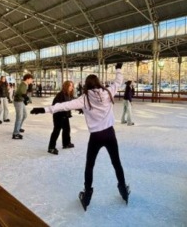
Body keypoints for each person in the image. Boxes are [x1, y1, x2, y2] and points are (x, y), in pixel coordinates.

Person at [30, 63, 130, 211]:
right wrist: (118, 69)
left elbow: (64, 105)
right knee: (116, 163)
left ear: (86, 85)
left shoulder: (84, 98)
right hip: (109, 134)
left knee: (90, 166)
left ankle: (87, 193)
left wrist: (44, 109)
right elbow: (118, 82)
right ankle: (123, 188)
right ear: (98, 83)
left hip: (96, 136)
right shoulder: (108, 92)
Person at [47, 80, 76, 155]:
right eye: (70, 86)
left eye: (72, 86)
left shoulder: (68, 94)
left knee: (67, 129)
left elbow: (73, 103)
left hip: (64, 115)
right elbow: (56, 105)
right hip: (58, 116)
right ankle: (51, 147)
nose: (72, 87)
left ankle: (66, 143)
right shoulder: (61, 95)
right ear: (66, 86)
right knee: (56, 131)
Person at [12, 74, 33, 139]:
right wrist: (26, 98)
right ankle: (15, 133)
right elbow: (20, 93)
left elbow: (23, 93)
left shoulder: (25, 84)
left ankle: (18, 127)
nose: (32, 81)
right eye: (31, 79)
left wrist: (25, 99)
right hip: (18, 102)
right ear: (27, 79)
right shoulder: (23, 84)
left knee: (24, 115)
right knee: (19, 117)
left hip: (21, 101)